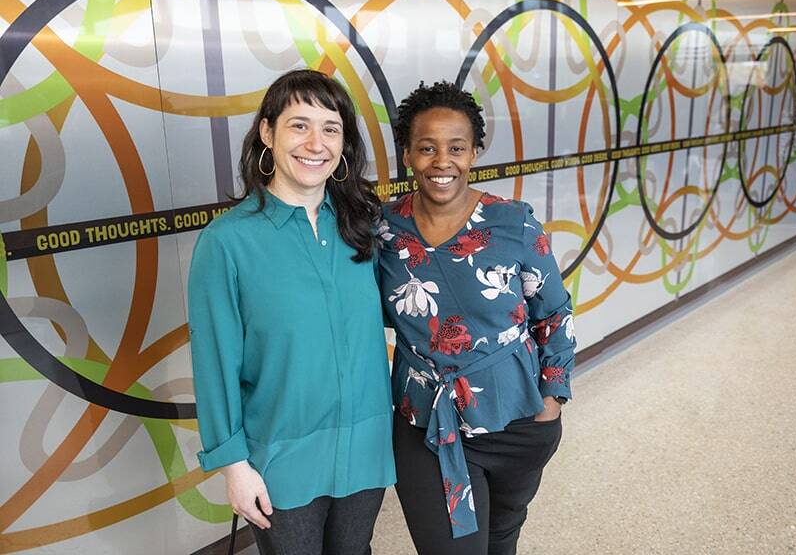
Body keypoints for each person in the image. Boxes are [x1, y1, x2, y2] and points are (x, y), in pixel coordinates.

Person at [188, 69, 394, 555]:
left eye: (330, 128)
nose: (315, 143)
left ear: (344, 145)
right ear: (267, 133)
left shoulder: (361, 228)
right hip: (280, 455)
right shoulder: (227, 241)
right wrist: (234, 467)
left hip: (365, 443)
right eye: (299, 125)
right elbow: (215, 364)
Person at [377, 81, 576, 554]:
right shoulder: (383, 229)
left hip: (518, 418)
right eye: (426, 148)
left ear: (474, 153)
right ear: (407, 154)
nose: (441, 162)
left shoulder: (513, 223)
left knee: (501, 539)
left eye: (456, 148)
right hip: (426, 422)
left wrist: (553, 400)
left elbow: (552, 313)